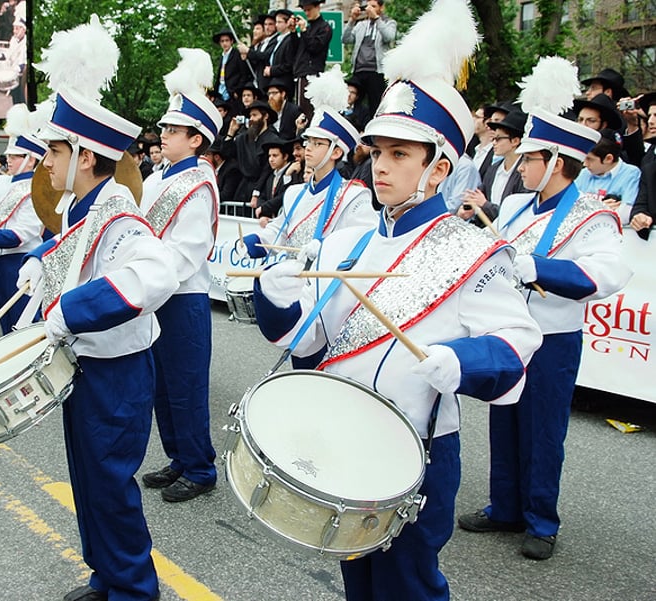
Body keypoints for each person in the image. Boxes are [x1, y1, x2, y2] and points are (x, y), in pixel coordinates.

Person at [253, 3, 542, 598]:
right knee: (357, 575)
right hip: (345, 438)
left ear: (438, 171)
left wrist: (464, 361)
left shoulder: (470, 250)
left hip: (420, 449)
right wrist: (275, 294)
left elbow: (518, 341)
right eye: (378, 152)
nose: (381, 167)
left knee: (411, 582)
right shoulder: (350, 243)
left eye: (400, 155)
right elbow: (303, 339)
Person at [14, 17, 176, 601]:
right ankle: (106, 575)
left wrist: (69, 309)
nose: (46, 161)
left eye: (55, 151)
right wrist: (43, 264)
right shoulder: (79, 212)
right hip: (84, 367)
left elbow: (155, 273)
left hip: (116, 370)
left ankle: (134, 589)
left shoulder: (119, 214)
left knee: (109, 483)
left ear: (84, 156)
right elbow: (77, 259)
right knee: (86, 480)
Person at [458, 56, 632, 561]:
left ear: (556, 162)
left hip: (553, 338)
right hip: (511, 331)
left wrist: (537, 268)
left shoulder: (592, 214)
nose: (521, 166)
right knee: (504, 418)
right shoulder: (511, 206)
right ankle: (504, 505)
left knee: (542, 429)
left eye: (529, 159)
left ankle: (540, 519)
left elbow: (605, 276)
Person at [240, 67, 376, 368]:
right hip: (297, 293)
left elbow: (364, 246)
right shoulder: (295, 192)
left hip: (329, 302)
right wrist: (259, 240)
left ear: (337, 151)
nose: (307, 149)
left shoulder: (354, 195)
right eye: (308, 142)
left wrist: (328, 251)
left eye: (317, 144)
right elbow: (281, 230)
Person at [139, 49, 221, 503]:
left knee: (186, 386)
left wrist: (142, 278)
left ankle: (200, 467)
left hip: (181, 297)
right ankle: (178, 458)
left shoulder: (197, 183)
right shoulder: (159, 179)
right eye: (165, 128)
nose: (164, 135)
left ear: (196, 140)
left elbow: (186, 252)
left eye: (173, 130)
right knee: (162, 385)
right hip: (156, 294)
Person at [0, 106, 46, 334]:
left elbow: (24, 232)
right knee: (5, 326)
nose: (9, 159)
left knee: (24, 324)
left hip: (22, 259)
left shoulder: (37, 188)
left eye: (15, 156)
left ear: (31, 160)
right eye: (9, 155)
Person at [459, 109, 528, 224]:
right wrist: (469, 208)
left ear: (515, 141)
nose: (494, 143)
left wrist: (485, 205)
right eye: (493, 138)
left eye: (498, 139)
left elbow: (517, 216)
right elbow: (480, 196)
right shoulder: (493, 168)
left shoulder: (525, 173)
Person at [341, 0, 397, 115]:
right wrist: (352, 19)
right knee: (355, 104)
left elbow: (389, 37)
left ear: (381, 8)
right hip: (359, 71)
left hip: (376, 72)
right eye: (368, 6)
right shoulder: (361, 25)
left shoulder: (389, 23)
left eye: (373, 6)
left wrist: (376, 18)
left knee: (375, 105)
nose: (369, 9)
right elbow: (345, 39)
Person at [223, 99, 281, 210]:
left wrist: (256, 193)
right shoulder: (244, 137)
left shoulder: (273, 139)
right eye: (250, 116)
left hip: (262, 189)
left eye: (255, 115)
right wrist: (231, 132)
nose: (252, 119)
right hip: (242, 188)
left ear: (265, 116)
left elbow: (267, 170)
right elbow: (227, 153)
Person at [576, 128, 642, 224]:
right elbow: (568, 211)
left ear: (608, 159)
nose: (585, 164)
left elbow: (624, 216)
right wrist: (600, 208)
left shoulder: (631, 173)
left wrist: (586, 210)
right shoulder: (583, 174)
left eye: (589, 159)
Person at [291, 0, 332, 120]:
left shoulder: (325, 27)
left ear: (317, 7)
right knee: (300, 109)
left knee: (308, 110)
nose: (306, 13)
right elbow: (296, 50)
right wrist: (294, 32)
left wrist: (304, 31)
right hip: (301, 72)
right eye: (305, 10)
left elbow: (314, 47)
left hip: (312, 73)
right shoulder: (309, 28)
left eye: (309, 9)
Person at [212, 28, 247, 106]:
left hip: (232, 93)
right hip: (220, 93)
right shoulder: (222, 56)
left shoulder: (237, 54)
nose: (225, 43)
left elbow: (244, 74)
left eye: (227, 40)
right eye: (222, 41)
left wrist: (238, 91)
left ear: (231, 41)